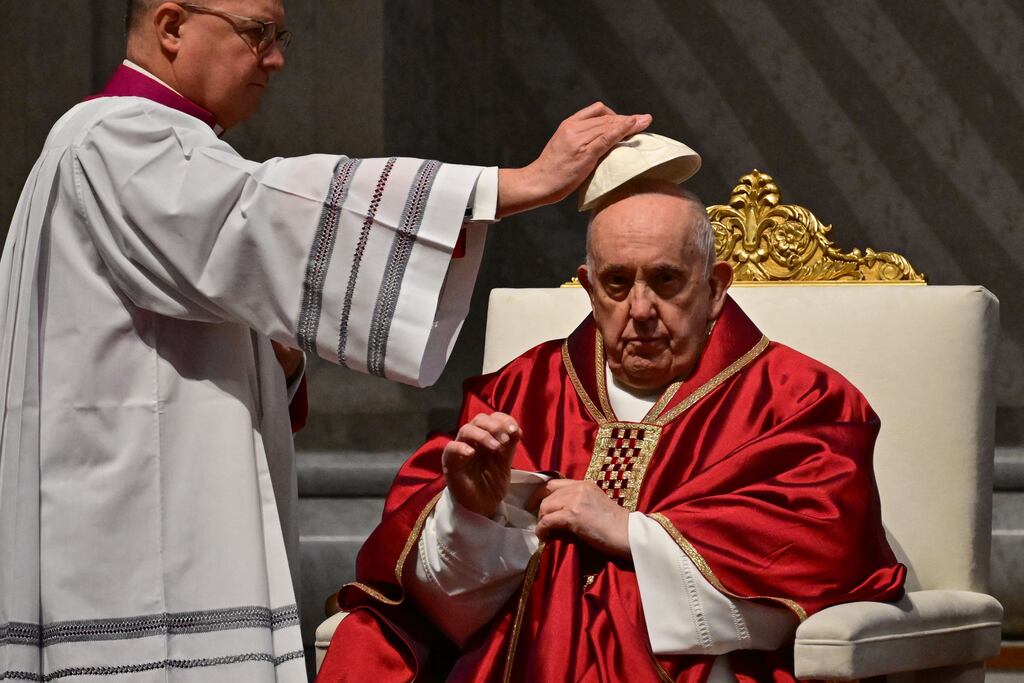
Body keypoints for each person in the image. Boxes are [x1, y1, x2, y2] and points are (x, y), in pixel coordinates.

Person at [0, 1, 654, 680]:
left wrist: (275, 356)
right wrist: (518, 184)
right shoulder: (116, 142)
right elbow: (265, 211)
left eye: (280, 36)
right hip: (136, 546)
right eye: (258, 34)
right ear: (171, 27)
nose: (276, 59)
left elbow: (220, 276)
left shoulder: (153, 147)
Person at [316, 177, 907, 682]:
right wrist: (474, 516)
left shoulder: (802, 399)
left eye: (667, 280)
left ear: (716, 286)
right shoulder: (519, 391)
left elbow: (818, 554)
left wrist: (631, 533)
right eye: (618, 283)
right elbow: (443, 601)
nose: (641, 309)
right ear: (589, 285)